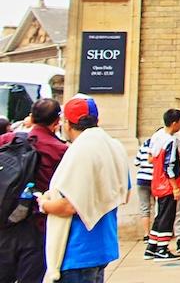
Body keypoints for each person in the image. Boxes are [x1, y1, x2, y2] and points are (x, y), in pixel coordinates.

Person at [37, 95, 128, 283]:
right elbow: (124, 192)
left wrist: (44, 204)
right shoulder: (113, 146)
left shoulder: (80, 150)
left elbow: (70, 206)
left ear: (67, 123)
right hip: (103, 245)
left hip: (77, 250)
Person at [0, 98, 68, 283]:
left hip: (5, 221)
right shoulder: (60, 150)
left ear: (31, 116)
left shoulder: (7, 140)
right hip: (37, 226)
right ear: (57, 122)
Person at [145, 109, 180, 261]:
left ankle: (152, 246)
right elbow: (170, 165)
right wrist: (175, 186)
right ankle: (162, 248)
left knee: (160, 214)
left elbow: (150, 157)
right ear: (175, 122)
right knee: (167, 216)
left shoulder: (157, 136)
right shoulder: (170, 140)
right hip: (167, 183)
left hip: (156, 180)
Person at [132, 136, 153, 243]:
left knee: (145, 208)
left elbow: (136, 162)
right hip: (154, 179)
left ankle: (146, 234)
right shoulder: (158, 145)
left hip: (142, 179)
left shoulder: (144, 145)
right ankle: (156, 233)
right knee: (159, 206)